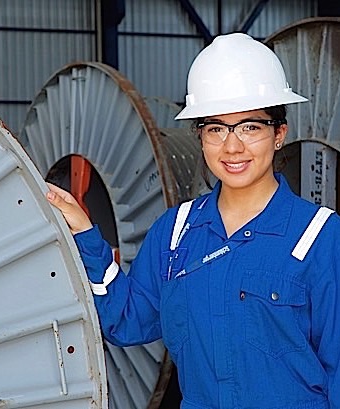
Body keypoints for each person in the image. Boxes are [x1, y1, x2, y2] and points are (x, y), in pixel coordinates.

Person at [46, 33, 340, 409]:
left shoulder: (319, 238)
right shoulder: (175, 234)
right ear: (200, 136)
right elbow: (128, 320)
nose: (232, 147)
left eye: (250, 126)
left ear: (278, 134)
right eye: (216, 128)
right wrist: (85, 231)